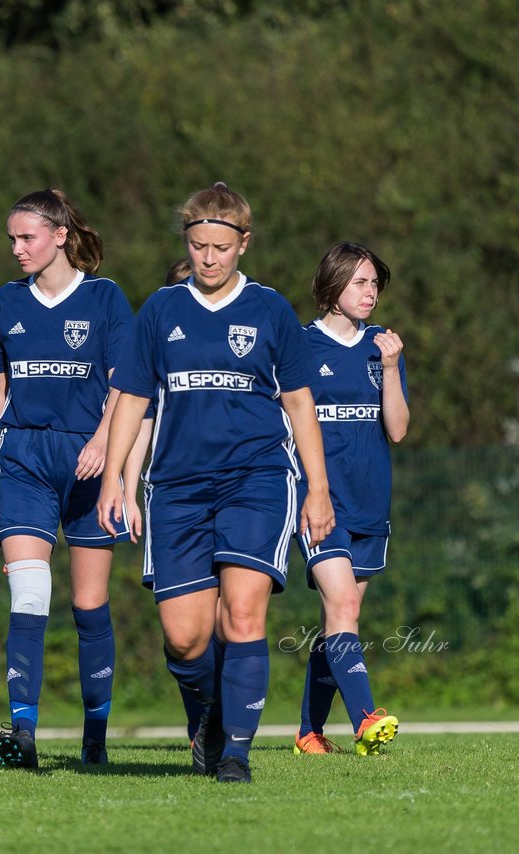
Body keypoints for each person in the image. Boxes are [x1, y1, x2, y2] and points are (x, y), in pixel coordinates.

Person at [96, 183, 334, 783]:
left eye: (221, 247)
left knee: (244, 618)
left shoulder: (270, 311)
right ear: (187, 242)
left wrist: (318, 487)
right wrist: (112, 483)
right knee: (184, 638)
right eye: (199, 246)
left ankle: (235, 753)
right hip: (176, 487)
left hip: (257, 479)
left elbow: (301, 404)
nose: (208, 258)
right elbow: (130, 400)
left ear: (243, 244)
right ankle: (208, 716)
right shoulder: (160, 310)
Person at [0, 188, 134, 768]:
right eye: (12, 239)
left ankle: (95, 735)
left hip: (89, 466)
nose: (17, 248)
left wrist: (101, 444)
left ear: (59, 235)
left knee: (89, 605)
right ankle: (23, 731)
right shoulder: (6, 303)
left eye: (27, 237)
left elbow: (125, 383)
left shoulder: (106, 299)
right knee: (30, 592)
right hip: (23, 460)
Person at [292, 242, 407, 756]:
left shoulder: (383, 346)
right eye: (360, 282)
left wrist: (389, 368)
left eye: (374, 284)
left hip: (370, 503)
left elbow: (398, 430)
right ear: (332, 287)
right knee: (341, 605)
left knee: (341, 615)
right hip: (319, 503)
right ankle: (366, 718)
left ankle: (308, 733)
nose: (370, 292)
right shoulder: (298, 347)